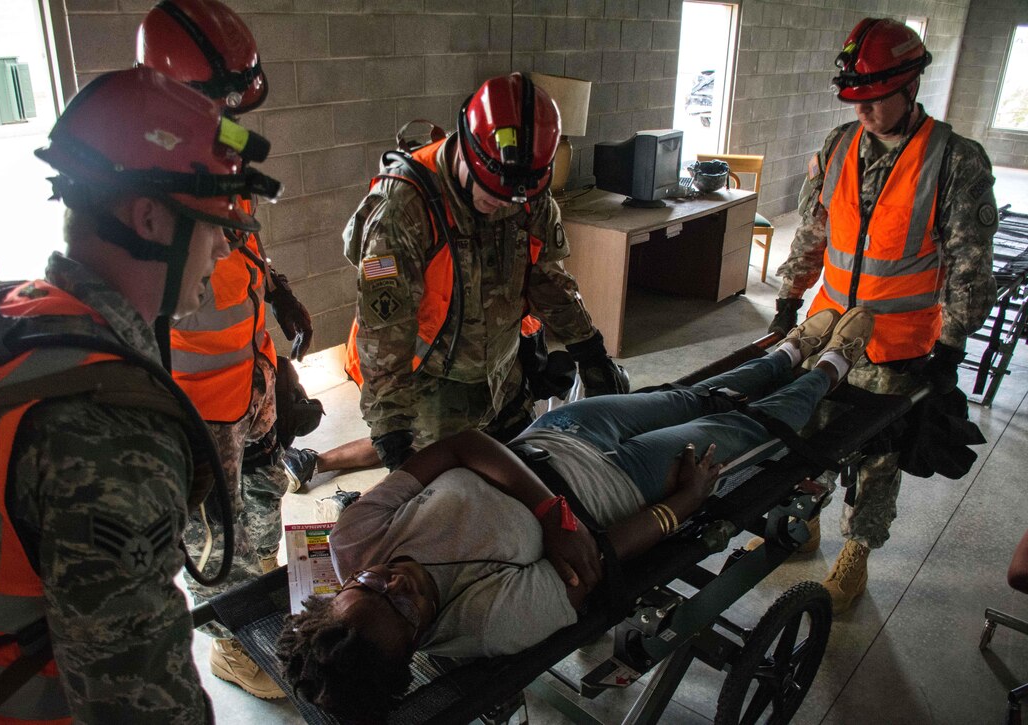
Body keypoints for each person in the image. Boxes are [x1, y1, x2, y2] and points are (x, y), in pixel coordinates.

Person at [277, 307, 875, 719]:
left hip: (564, 428)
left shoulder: (355, 540)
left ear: (337, 592)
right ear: (414, 644)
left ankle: (792, 347)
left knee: (696, 396)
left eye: (369, 585)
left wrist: (548, 516)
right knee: (742, 426)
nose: (394, 579)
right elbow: (599, 558)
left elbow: (461, 444)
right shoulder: (486, 626)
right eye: (403, 604)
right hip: (626, 484)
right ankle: (832, 366)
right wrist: (682, 506)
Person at [0, 67, 280, 722]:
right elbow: (141, 703)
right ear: (149, 218)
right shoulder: (110, 432)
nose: (220, 247)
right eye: (211, 223)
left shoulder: (23, 315)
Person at [768, 18, 998, 614]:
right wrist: (791, 298)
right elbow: (813, 232)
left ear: (910, 86)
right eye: (856, 100)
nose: (864, 112)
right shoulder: (837, 145)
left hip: (899, 342)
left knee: (877, 451)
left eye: (874, 100)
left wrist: (950, 344)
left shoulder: (955, 161)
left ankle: (858, 552)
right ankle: (805, 520)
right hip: (827, 330)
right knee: (808, 428)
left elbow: (970, 263)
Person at [137, 0, 316, 699]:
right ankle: (227, 645)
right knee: (214, 534)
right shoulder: (137, 177)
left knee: (264, 505)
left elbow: (238, 233)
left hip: (250, 382)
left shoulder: (218, 145)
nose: (231, 119)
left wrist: (279, 293)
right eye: (219, 102)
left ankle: (258, 612)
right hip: (194, 411)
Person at [342, 72, 627, 474]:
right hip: (431, 389)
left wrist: (588, 348)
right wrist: (392, 436)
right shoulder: (401, 211)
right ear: (466, 151)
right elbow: (383, 333)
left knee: (523, 484)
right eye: (490, 194)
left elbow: (546, 278)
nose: (502, 205)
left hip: (503, 377)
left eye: (514, 198)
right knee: (446, 507)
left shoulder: (525, 189)